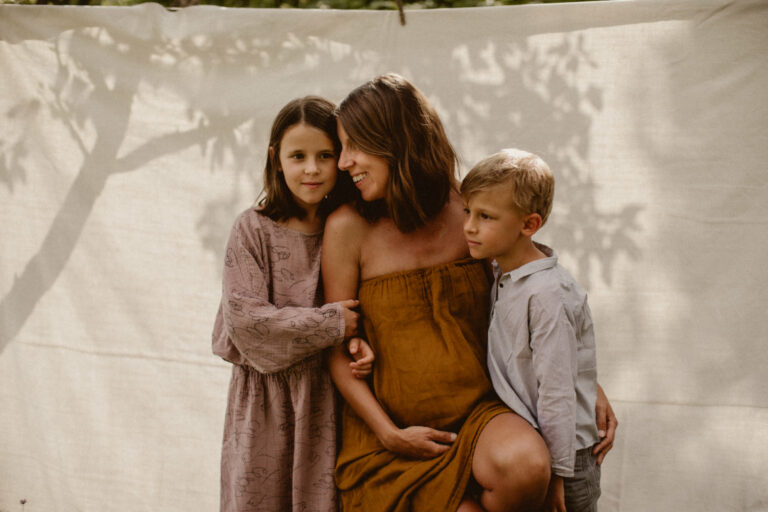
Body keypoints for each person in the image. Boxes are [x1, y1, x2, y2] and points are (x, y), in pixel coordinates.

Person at [323, 74, 616, 512]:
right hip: (388, 438)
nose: (344, 162)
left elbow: (531, 291)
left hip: (480, 416)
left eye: (355, 146)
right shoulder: (346, 228)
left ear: (395, 140)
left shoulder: (467, 209)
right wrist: (388, 433)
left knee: (527, 466)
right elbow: (336, 346)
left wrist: (583, 382)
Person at [211, 96, 374, 512]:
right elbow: (247, 323)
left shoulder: (353, 227)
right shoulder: (253, 229)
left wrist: (357, 341)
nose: (312, 169)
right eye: (297, 155)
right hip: (264, 403)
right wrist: (333, 323)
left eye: (325, 155)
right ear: (276, 159)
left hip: (327, 399)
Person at [461, 149, 602, 512]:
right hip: (532, 449)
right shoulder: (503, 272)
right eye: (468, 213)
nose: (469, 227)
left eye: (485, 216)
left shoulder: (547, 295)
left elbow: (556, 393)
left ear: (529, 225)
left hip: (564, 463)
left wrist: (556, 476)